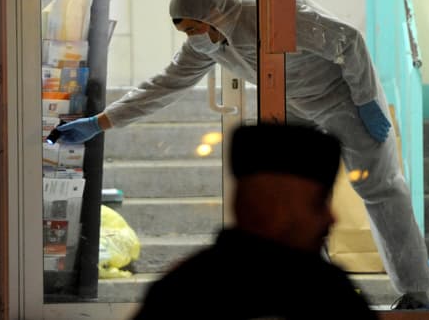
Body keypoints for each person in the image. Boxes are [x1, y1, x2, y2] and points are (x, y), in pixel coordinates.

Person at [57, 0, 429, 309]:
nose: (192, 37)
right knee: (290, 195)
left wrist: (366, 98)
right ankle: (307, 288)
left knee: (379, 187)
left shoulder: (270, 14)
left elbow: (348, 40)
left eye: (195, 28)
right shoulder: (205, 45)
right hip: (291, 103)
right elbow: (162, 87)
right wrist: (100, 122)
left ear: (215, 14)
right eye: (184, 30)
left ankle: (416, 292)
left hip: (345, 99)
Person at [131, 123, 378, 319]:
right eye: (318, 203)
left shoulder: (182, 290)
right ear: (270, 209)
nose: (332, 218)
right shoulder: (326, 294)